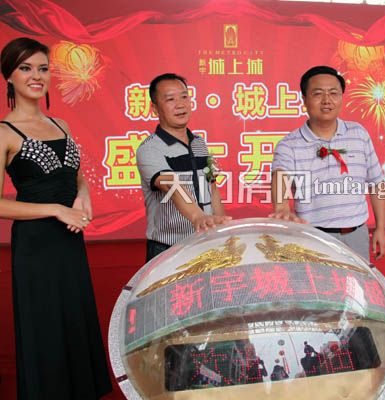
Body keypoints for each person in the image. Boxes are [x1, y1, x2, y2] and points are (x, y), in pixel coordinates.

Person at [0, 37, 112, 399]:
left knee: (74, 321)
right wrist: (56, 209)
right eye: (26, 68)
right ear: (9, 76)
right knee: (45, 326)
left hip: (69, 242)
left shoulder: (61, 124)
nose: (37, 76)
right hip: (36, 247)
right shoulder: (4, 132)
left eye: (43, 69)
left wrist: (84, 196)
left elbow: (76, 177)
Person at [271, 65, 385, 262]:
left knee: (356, 282)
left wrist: (381, 228)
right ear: (304, 99)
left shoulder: (358, 134)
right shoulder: (289, 145)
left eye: (334, 93)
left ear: (341, 97)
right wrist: (281, 208)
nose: (327, 100)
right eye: (318, 94)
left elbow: (377, 183)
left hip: (357, 234)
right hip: (313, 238)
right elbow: (280, 175)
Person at [136, 73, 230, 261]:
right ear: (155, 108)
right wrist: (198, 217)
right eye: (170, 99)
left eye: (184, 96)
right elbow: (172, 185)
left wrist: (223, 230)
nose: (180, 104)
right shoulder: (149, 149)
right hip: (169, 249)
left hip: (206, 243)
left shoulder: (199, 143)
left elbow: (211, 188)